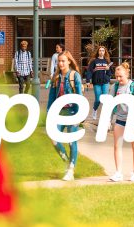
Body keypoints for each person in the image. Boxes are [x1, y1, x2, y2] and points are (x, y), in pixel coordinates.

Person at [48, 50, 84, 181]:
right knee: (53, 138)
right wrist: (49, 113)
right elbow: (51, 98)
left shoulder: (75, 76)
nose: (61, 64)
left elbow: (80, 97)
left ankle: (71, 170)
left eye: (63, 61)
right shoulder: (56, 77)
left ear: (69, 61)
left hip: (73, 112)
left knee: (71, 140)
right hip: (59, 113)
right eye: (59, 61)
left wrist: (80, 115)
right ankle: (67, 163)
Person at [109, 62, 134, 182]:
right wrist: (108, 120)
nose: (118, 79)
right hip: (120, 119)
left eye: (121, 76)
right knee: (117, 146)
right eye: (117, 76)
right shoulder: (114, 88)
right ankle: (118, 173)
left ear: (126, 75)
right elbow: (110, 105)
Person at [86, 46, 113, 120]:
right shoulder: (94, 61)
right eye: (100, 50)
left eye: (103, 51)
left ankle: (105, 116)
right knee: (98, 99)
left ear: (105, 52)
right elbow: (89, 71)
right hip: (96, 82)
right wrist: (88, 81)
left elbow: (111, 73)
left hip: (105, 82)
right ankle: (94, 110)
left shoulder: (107, 61)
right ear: (98, 52)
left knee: (105, 99)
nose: (101, 52)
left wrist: (108, 70)